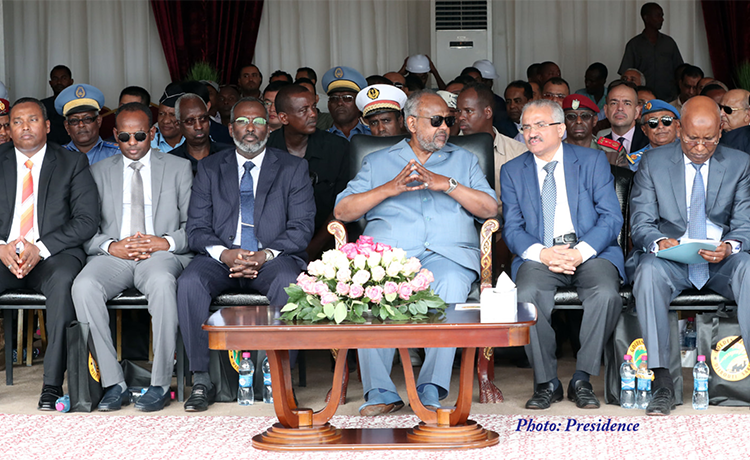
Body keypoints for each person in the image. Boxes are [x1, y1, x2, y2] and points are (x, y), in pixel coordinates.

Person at [335, 89, 497, 416]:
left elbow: (490, 208)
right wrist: (389, 188)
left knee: (450, 284)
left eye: (448, 121)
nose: (445, 128)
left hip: (449, 256)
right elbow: (343, 211)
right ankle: (380, 392)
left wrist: (446, 184)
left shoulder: (463, 160)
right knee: (368, 287)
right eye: (435, 121)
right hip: (389, 258)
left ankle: (430, 389)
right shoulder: (377, 161)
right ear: (411, 123)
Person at [176, 97, 315, 412]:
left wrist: (263, 255)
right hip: (221, 260)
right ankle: (201, 379)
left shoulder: (293, 167)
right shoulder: (210, 167)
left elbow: (302, 227)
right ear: (230, 127)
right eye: (242, 121)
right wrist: (225, 254)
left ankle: (281, 379)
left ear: (269, 126)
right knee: (189, 282)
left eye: (258, 121)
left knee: (290, 282)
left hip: (272, 259)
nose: (250, 129)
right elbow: (196, 229)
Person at [627, 96, 750, 416]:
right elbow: (640, 223)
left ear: (720, 132)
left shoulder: (739, 163)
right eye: (692, 138)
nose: (699, 146)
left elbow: (744, 224)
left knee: (749, 267)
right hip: (672, 261)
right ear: (679, 129)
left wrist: (731, 246)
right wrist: (659, 242)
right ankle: (662, 381)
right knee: (648, 272)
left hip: (719, 260)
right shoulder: (653, 163)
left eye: (708, 139)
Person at [500, 99, 624, 410]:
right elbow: (512, 227)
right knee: (526, 295)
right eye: (526, 127)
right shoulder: (513, 170)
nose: (532, 133)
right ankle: (547, 382)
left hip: (590, 251)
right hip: (541, 253)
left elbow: (610, 217)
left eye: (540, 125)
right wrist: (542, 254)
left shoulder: (592, 161)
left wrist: (580, 252)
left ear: (560, 129)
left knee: (606, 293)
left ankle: (582, 377)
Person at [71, 102, 193, 412]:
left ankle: (161, 383)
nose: (133, 143)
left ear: (152, 133)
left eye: (139, 135)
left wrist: (163, 242)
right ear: (114, 135)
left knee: (164, 285)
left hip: (160, 255)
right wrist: (111, 246)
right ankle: (114, 383)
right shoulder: (97, 171)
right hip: (115, 255)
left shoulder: (178, 167)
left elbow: (195, 226)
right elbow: (85, 226)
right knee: (83, 286)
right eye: (124, 137)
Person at [0, 97, 100, 410]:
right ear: (9, 129)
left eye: (31, 120)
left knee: (64, 282)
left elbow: (86, 220)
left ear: (46, 126)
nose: (24, 127)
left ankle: (52, 385)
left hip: (53, 256)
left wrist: (39, 248)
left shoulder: (71, 162)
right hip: (3, 253)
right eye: (17, 121)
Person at [267, 84, 350, 259]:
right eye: (303, 110)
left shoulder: (337, 148)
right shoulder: (266, 150)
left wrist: (313, 248)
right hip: (274, 248)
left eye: (313, 107)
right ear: (283, 117)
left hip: (328, 244)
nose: (313, 114)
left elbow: (343, 206)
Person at [457, 82, 526, 213]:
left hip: (504, 228)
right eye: (459, 111)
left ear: (488, 112)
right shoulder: (449, 150)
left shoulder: (519, 152)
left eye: (468, 111)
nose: (461, 117)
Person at [618, 2, 684, 101]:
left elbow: (680, 69)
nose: (662, 19)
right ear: (646, 18)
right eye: (658, 15)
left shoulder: (669, 43)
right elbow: (626, 74)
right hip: (642, 99)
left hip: (669, 99)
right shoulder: (634, 44)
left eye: (662, 16)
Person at [55, 84, 119, 165]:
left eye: (87, 119)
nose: (81, 125)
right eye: (74, 120)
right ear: (67, 126)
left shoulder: (117, 154)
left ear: (98, 121)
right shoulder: (56, 157)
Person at [170, 94, 231, 175]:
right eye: (190, 121)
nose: (198, 127)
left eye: (203, 119)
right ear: (178, 124)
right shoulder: (170, 161)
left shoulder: (230, 155)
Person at [562, 94, 625, 168]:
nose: (578, 121)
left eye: (585, 116)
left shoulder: (613, 152)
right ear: (563, 121)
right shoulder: (553, 151)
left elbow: (621, 179)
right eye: (571, 116)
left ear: (594, 120)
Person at [627, 99, 681, 171]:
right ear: (644, 130)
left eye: (666, 120)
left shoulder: (690, 154)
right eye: (653, 122)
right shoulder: (634, 163)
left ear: (677, 125)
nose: (660, 126)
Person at [322, 66, 371, 140]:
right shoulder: (320, 140)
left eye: (347, 98)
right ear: (328, 105)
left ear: (358, 104)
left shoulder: (373, 135)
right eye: (334, 98)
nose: (340, 103)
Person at [601, 80, 649, 155]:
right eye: (614, 103)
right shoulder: (599, 147)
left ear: (637, 111)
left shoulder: (650, 141)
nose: (620, 108)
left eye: (627, 103)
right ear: (606, 110)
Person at [40, 65, 74, 145]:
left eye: (64, 78)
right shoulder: (42, 106)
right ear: (50, 83)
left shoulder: (78, 105)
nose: (59, 82)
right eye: (55, 79)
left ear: (71, 81)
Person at [151, 83, 185, 152]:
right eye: (161, 114)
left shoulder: (194, 141)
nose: (166, 121)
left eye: (172, 114)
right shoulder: (148, 142)